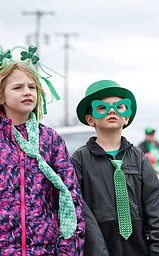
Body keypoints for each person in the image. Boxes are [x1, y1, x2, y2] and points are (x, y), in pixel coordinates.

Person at [0, 45, 85, 255]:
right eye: (18, 87)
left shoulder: (51, 140)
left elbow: (71, 197)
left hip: (45, 250)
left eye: (32, 87)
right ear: (1, 97)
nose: (27, 92)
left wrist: (67, 250)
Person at [71, 80, 159, 255]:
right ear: (90, 119)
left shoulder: (139, 158)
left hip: (137, 247)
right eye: (102, 107)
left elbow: (155, 206)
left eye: (119, 106)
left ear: (126, 118)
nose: (111, 110)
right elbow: (76, 208)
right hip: (97, 247)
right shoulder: (80, 160)